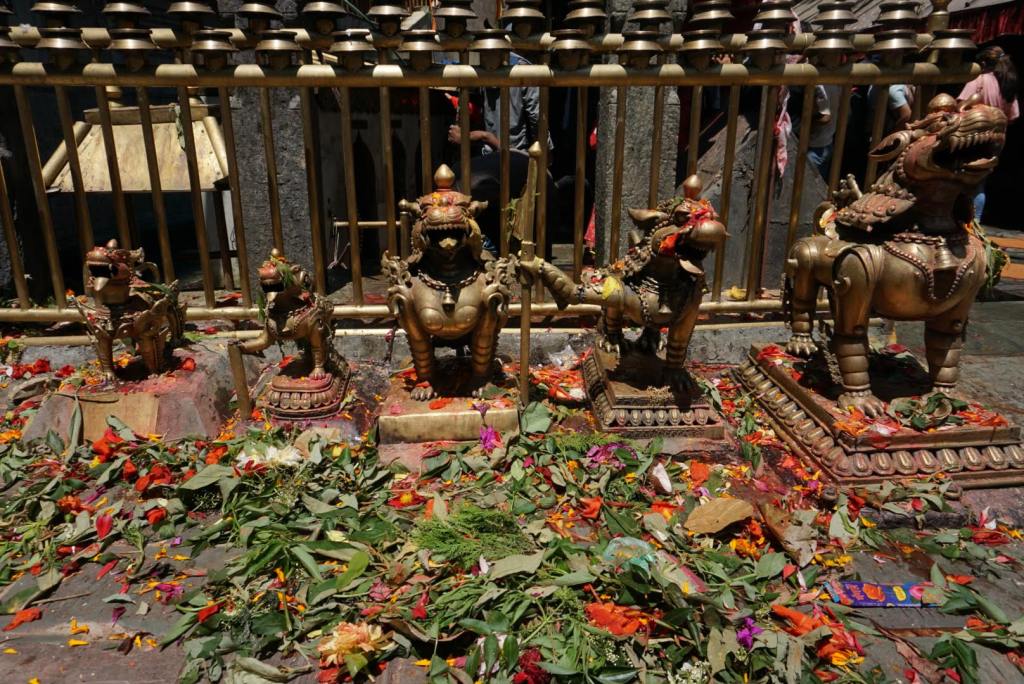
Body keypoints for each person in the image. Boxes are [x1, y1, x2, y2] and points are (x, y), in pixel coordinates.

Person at [958, 46, 1020, 221]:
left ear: (983, 63)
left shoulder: (979, 80)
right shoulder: (1008, 84)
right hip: (997, 139)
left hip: (974, 136)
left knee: (962, 179)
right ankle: (975, 222)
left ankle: (962, 222)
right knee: (979, 181)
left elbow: (961, 105)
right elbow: (1013, 116)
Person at [807, 84, 842, 180]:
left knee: (811, 183)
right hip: (827, 142)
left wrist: (804, 122)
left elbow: (825, 117)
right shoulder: (836, 84)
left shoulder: (820, 86)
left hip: (816, 146)